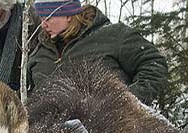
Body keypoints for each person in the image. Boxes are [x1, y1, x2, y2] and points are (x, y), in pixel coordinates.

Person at [28, 0, 167, 105]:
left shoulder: (113, 35)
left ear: (68, 15)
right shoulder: (39, 51)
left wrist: (128, 102)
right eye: (41, 18)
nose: (43, 24)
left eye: (48, 18)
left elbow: (154, 65)